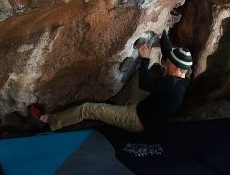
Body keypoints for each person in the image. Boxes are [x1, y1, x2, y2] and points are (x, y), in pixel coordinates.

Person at [28, 30, 192, 134]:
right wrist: (161, 33)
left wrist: (145, 59)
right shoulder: (180, 77)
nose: (166, 63)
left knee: (88, 109)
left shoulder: (173, 86)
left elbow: (145, 84)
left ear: (177, 70)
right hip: (142, 106)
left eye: (169, 64)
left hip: (136, 120)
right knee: (153, 70)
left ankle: (49, 122)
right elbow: (167, 51)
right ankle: (119, 103)